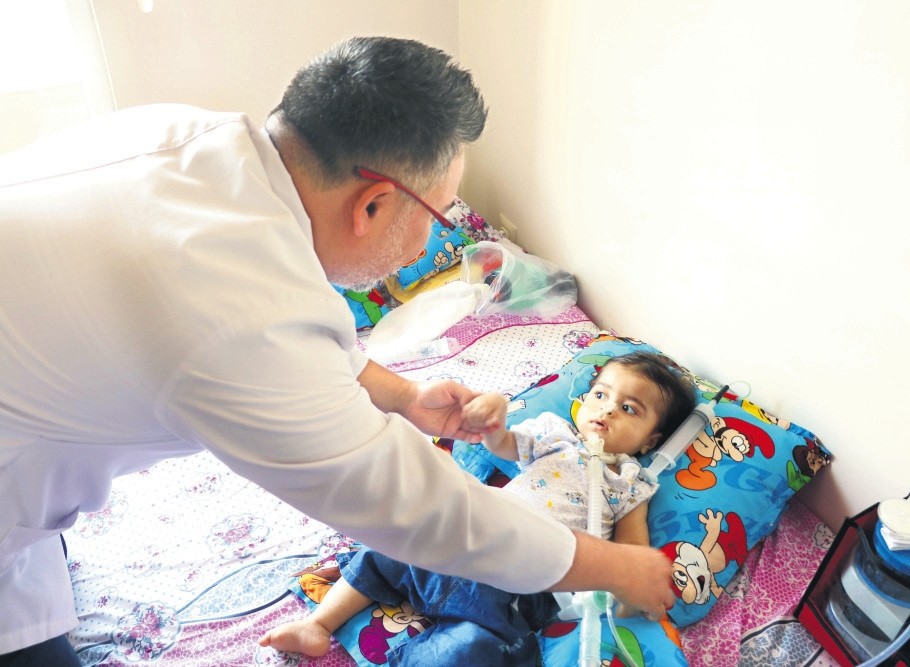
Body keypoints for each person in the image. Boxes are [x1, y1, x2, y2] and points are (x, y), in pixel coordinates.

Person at [0, 36, 678, 665]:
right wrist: (624, 568)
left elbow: (299, 337)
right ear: (375, 204)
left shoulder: (186, 136)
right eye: (441, 218)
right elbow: (422, 509)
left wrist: (407, 395)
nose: (429, 246)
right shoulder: (242, 312)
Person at [259, 351, 695, 663]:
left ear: (650, 441)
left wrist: (635, 590)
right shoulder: (555, 435)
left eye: (629, 409)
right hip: (473, 538)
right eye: (600, 395)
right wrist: (492, 419)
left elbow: (633, 554)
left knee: (479, 648)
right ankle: (318, 623)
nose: (607, 411)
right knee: (391, 546)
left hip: (528, 583)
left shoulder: (632, 484)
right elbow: (503, 445)